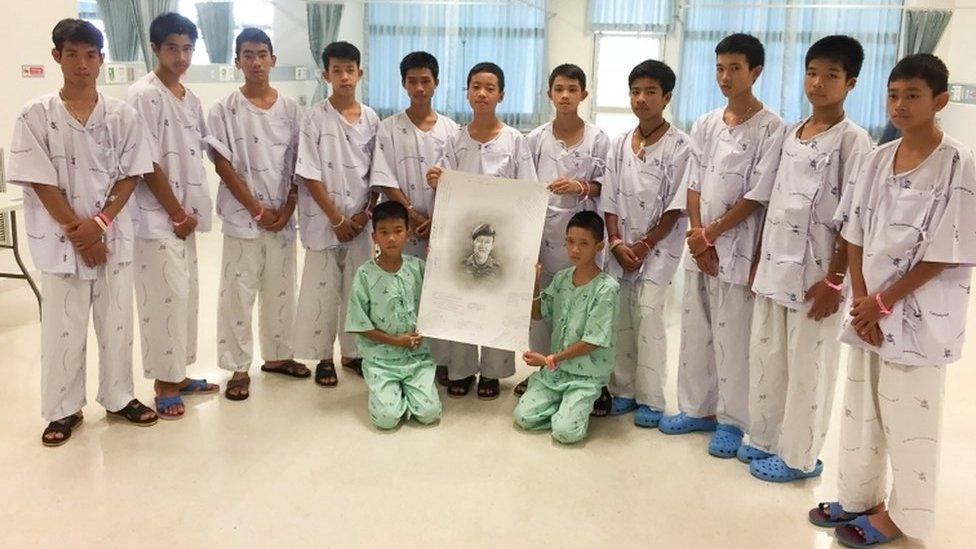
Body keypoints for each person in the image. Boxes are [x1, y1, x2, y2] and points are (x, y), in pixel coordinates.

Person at [808, 53, 976, 549]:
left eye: (913, 96)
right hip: (868, 312)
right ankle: (859, 497)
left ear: (940, 101)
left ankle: (903, 516)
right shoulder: (877, 158)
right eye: (894, 94)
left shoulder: (959, 164)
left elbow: (951, 249)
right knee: (860, 411)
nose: (900, 105)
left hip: (921, 313)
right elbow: (854, 232)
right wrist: (862, 301)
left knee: (910, 419)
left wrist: (883, 303)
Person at [8, 19, 158, 445]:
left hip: (113, 239)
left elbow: (131, 175)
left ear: (101, 60)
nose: (82, 64)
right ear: (57, 57)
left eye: (90, 55)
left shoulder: (122, 115)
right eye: (72, 54)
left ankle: (119, 396)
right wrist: (79, 232)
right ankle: (62, 410)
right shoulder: (35, 115)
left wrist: (100, 224)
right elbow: (39, 180)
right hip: (60, 243)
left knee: (116, 323)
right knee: (62, 328)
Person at [742, 35, 873, 481]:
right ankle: (763, 438)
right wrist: (758, 259)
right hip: (774, 268)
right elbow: (771, 200)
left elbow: (852, 220)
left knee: (807, 369)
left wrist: (836, 281)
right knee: (767, 357)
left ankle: (798, 457)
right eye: (812, 72)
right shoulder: (790, 133)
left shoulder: (854, 142)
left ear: (850, 83)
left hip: (817, 278)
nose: (817, 83)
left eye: (831, 75)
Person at [659, 33, 786, 459]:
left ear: (756, 72)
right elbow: (694, 182)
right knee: (696, 331)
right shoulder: (707, 122)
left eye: (735, 68)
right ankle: (696, 409)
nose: (725, 76)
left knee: (734, 338)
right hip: (702, 247)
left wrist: (711, 234)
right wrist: (698, 236)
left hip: (738, 247)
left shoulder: (772, 128)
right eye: (719, 68)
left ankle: (733, 421)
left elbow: (757, 194)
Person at [126, 12, 219, 420]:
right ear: (154, 48)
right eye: (171, 48)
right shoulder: (142, 95)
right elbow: (145, 162)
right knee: (164, 300)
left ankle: (178, 373)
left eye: (186, 49)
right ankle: (163, 382)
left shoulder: (190, 97)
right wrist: (176, 211)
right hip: (156, 218)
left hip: (185, 219)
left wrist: (189, 213)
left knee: (185, 298)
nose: (180, 57)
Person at [426, 62, 538, 400]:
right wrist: (436, 181)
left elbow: (529, 192)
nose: (482, 94)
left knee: (495, 301)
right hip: (463, 237)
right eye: (476, 86)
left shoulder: (515, 141)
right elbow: (445, 195)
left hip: (502, 239)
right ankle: (461, 368)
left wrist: (526, 245)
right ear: (467, 91)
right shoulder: (455, 140)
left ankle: (492, 371)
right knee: (462, 300)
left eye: (490, 88)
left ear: (501, 94)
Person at [206, 28, 306, 401]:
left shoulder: (291, 109)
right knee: (238, 292)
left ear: (273, 60)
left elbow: (300, 163)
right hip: (242, 218)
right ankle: (237, 367)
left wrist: (287, 208)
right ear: (237, 61)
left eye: (262, 54)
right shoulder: (224, 110)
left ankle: (279, 356)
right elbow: (223, 165)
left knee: (281, 290)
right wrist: (255, 209)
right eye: (247, 55)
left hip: (282, 216)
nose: (256, 62)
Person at [602, 60, 691, 428]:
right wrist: (617, 241)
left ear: (666, 97)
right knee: (620, 315)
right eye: (636, 91)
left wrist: (644, 245)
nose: (641, 99)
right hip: (621, 246)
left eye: (650, 92)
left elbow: (677, 204)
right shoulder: (621, 142)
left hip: (659, 248)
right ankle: (623, 389)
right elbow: (609, 195)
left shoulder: (681, 146)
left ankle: (652, 399)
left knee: (649, 315)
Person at [517, 63, 611, 406]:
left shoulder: (598, 139)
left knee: (581, 311)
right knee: (541, 306)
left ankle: (587, 376)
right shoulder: (536, 139)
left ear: (583, 94)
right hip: (542, 236)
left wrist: (580, 186)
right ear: (549, 94)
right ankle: (543, 370)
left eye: (572, 89)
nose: (566, 95)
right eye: (559, 89)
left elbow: (608, 186)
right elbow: (524, 187)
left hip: (582, 241)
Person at [293, 41, 380, 388]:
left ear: (360, 72)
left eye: (350, 70)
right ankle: (323, 357)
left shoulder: (372, 119)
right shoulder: (313, 118)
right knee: (322, 290)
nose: (344, 77)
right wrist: (336, 218)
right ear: (325, 74)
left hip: (361, 222)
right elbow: (309, 172)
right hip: (324, 221)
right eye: (337, 71)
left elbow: (377, 173)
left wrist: (364, 213)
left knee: (357, 289)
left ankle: (353, 353)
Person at [369, 51, 459, 384]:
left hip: (440, 229)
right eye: (412, 81)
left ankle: (442, 360)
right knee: (402, 294)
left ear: (436, 82)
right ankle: (403, 356)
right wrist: (409, 214)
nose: (419, 88)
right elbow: (384, 176)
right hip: (402, 230)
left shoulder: (451, 130)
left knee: (439, 294)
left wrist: (435, 220)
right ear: (403, 83)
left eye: (425, 80)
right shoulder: (389, 128)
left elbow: (457, 180)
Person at [514, 211, 619, 444]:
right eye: (570, 242)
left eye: (584, 243)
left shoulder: (606, 289)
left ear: (599, 246)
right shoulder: (561, 279)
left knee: (565, 433)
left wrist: (548, 359)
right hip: (557, 372)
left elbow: (592, 341)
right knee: (523, 417)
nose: (575, 250)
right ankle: (567, 404)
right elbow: (538, 314)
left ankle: (589, 395)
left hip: (586, 374)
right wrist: (534, 282)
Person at [345, 201, 442, 429]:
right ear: (374, 236)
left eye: (398, 231)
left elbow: (442, 293)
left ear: (407, 234)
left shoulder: (417, 268)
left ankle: (408, 391)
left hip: (417, 358)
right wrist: (395, 341)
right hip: (381, 361)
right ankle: (387, 392)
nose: (391, 239)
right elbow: (360, 324)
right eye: (384, 232)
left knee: (429, 414)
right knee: (387, 420)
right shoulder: (365, 275)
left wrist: (438, 259)